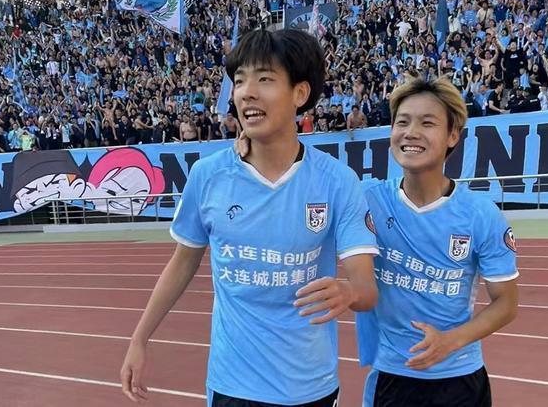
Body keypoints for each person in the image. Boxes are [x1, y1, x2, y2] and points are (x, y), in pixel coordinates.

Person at [120, 29, 379, 406]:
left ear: (300, 93)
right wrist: (139, 339)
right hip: (233, 386)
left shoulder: (337, 181)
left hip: (311, 387)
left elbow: (367, 289)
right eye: (240, 81)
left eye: (265, 79)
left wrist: (350, 291)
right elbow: (182, 264)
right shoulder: (208, 176)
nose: (246, 93)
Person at [356, 77, 519, 407]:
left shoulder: (480, 215)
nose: (411, 132)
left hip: (460, 379)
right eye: (402, 122)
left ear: (452, 135)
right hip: (392, 376)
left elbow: (506, 303)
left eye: (427, 123)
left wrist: (450, 341)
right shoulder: (365, 200)